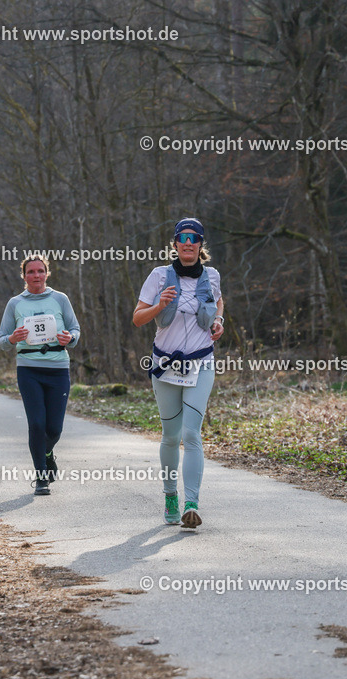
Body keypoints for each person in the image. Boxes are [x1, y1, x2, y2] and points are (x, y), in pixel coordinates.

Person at [133, 218, 224, 529]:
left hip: (201, 363)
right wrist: (160, 305)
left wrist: (218, 321)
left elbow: (218, 302)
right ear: (174, 244)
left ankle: (192, 503)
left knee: (191, 433)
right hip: (166, 365)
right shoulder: (159, 276)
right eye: (182, 238)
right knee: (171, 436)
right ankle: (171, 496)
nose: (188, 243)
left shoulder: (211, 276)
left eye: (194, 238)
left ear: (201, 245)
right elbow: (137, 319)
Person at [0, 255, 80, 496]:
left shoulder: (60, 299)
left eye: (40, 271)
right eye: (31, 272)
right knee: (36, 424)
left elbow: (75, 330)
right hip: (29, 368)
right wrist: (13, 338)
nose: (36, 276)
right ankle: (41, 476)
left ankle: (47, 452)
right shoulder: (15, 303)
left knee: (54, 429)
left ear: (47, 274)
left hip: (58, 369)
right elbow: (2, 341)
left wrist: (70, 338)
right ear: (23, 276)